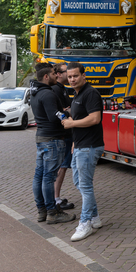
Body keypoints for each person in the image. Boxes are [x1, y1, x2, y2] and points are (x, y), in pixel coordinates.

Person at [62, 62, 104, 242]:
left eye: (75, 76)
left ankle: (85, 223)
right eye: (69, 76)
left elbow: (95, 118)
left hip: (89, 146)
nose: (72, 79)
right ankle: (95, 218)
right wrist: (74, 142)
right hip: (79, 145)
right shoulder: (76, 94)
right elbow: (81, 119)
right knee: (79, 182)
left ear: (83, 75)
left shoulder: (91, 93)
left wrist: (71, 123)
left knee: (85, 186)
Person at [30, 63, 76, 225]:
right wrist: (67, 113)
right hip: (53, 140)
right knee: (49, 177)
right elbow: (54, 116)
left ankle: (41, 211)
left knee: (39, 175)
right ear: (46, 76)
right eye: (53, 73)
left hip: (41, 138)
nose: (57, 76)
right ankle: (52, 212)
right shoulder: (48, 94)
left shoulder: (34, 93)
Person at [52, 62, 75, 210]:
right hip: (62, 135)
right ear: (59, 74)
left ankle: (56, 198)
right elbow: (61, 111)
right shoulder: (56, 90)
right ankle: (56, 199)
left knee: (63, 167)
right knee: (61, 167)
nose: (70, 74)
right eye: (67, 71)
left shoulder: (63, 89)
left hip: (65, 134)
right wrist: (67, 111)